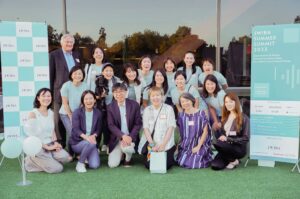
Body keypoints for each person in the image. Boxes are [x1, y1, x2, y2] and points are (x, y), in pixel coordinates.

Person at [25, 88, 72, 173]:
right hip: (38, 147)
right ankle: (30, 161)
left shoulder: (51, 113)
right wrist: (48, 147)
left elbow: (52, 131)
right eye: (43, 96)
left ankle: (47, 159)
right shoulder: (33, 114)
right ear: (38, 98)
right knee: (58, 168)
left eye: (48, 96)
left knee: (67, 158)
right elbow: (33, 137)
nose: (46, 98)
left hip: (50, 143)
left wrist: (56, 143)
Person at [49, 33, 80, 147]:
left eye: (71, 42)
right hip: (58, 94)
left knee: (74, 119)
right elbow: (50, 76)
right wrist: (51, 95)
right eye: (67, 41)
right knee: (58, 122)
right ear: (61, 43)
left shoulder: (77, 55)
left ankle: (74, 146)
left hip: (74, 93)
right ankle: (60, 145)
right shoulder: (54, 55)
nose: (69, 44)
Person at [138, 86, 176, 170]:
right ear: (150, 98)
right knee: (149, 165)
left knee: (166, 165)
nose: (156, 98)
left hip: (166, 144)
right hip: (152, 144)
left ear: (162, 96)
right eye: (153, 96)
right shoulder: (147, 110)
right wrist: (152, 145)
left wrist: (163, 145)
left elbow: (171, 127)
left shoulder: (169, 109)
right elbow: (146, 129)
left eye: (158, 95)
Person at [107, 83, 142, 168]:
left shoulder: (134, 105)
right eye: (116, 92)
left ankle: (128, 160)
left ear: (126, 92)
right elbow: (111, 125)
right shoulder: (110, 107)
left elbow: (138, 123)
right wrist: (122, 136)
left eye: (121, 91)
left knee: (127, 149)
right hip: (118, 139)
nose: (119, 94)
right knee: (112, 164)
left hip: (130, 138)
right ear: (113, 94)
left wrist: (130, 137)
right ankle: (121, 152)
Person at [211, 92, 249, 170]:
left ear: (236, 102)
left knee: (216, 143)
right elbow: (222, 134)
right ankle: (233, 160)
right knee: (215, 166)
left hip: (238, 148)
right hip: (224, 147)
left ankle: (234, 159)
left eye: (231, 102)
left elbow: (246, 138)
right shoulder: (224, 118)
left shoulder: (244, 118)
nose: (228, 104)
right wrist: (217, 131)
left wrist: (228, 139)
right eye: (226, 102)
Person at [176, 93, 212, 169]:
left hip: (199, 142)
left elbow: (205, 132)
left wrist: (198, 146)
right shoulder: (181, 115)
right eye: (182, 102)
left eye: (187, 100)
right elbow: (181, 133)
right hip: (186, 144)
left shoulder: (201, 113)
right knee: (182, 162)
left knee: (195, 162)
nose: (185, 103)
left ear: (192, 101)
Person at [69, 90, 102, 172]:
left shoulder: (98, 113)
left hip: (91, 142)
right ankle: (80, 163)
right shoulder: (77, 112)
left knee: (94, 165)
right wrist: (87, 138)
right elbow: (76, 129)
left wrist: (94, 136)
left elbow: (99, 129)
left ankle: (85, 155)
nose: (88, 101)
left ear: (94, 100)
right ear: (83, 101)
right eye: (86, 99)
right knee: (90, 142)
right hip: (78, 143)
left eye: (91, 98)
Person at [95, 63, 121, 152]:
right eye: (106, 71)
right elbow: (93, 96)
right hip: (101, 107)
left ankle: (107, 144)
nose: (108, 73)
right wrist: (100, 96)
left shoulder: (117, 81)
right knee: (99, 126)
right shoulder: (98, 81)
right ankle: (96, 145)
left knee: (109, 126)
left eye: (110, 71)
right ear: (102, 72)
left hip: (112, 108)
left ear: (113, 72)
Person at [59, 66, 87, 142]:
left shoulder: (85, 85)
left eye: (80, 74)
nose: (77, 75)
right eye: (75, 73)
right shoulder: (66, 86)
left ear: (83, 75)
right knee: (72, 132)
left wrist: (78, 115)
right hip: (66, 113)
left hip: (78, 113)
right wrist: (71, 116)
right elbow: (65, 103)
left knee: (79, 132)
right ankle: (71, 153)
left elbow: (83, 102)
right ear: (71, 75)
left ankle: (78, 152)